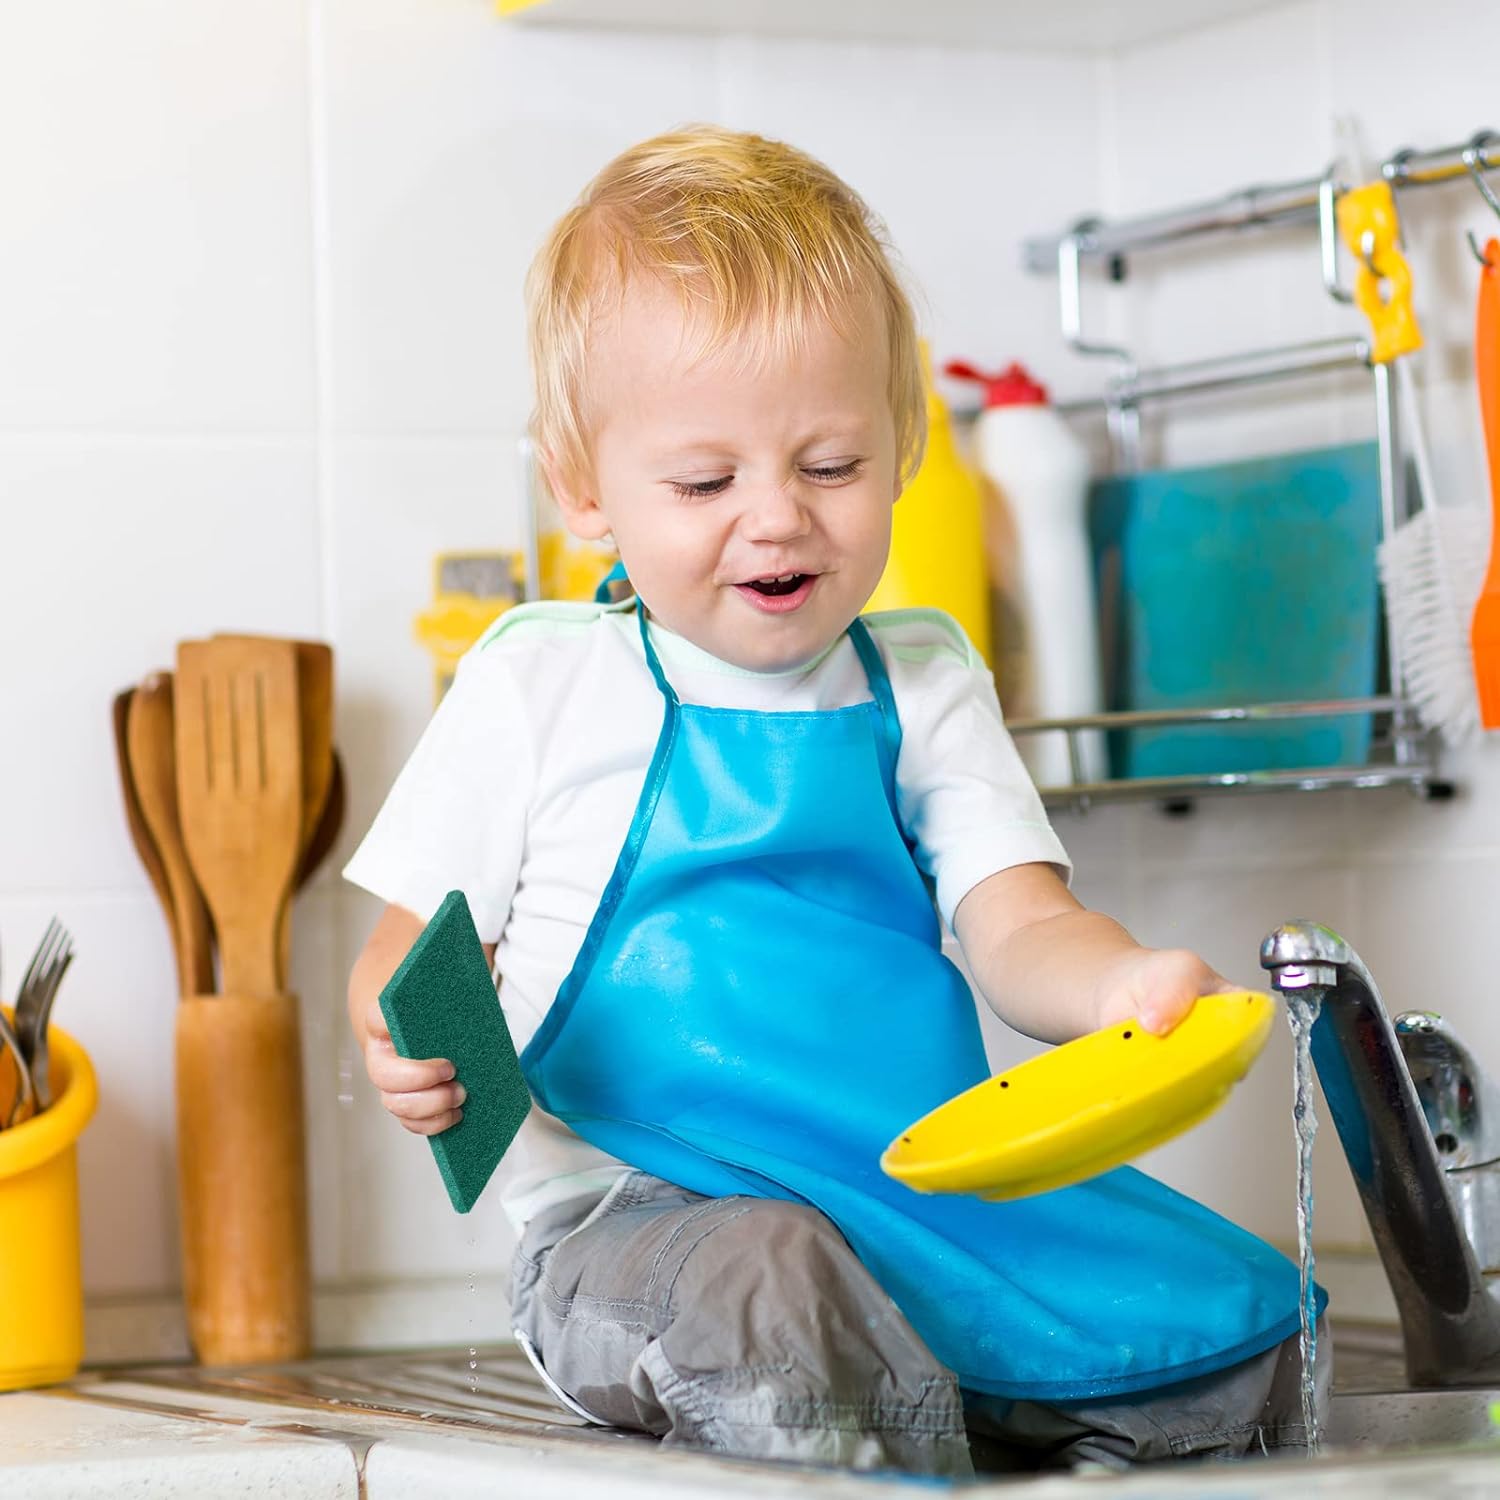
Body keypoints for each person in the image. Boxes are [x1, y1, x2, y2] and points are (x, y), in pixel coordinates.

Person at [344, 124, 1328, 1478]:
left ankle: (948, 1404)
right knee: (776, 1283)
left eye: (830, 466)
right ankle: (922, 1416)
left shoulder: (922, 677)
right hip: (642, 1225)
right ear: (583, 486)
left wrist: (1118, 991)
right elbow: (406, 955)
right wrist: (405, 1046)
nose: (777, 518)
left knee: (1237, 1333)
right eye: (706, 481)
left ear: (903, 445)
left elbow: (1019, 928)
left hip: (903, 1193)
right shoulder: (542, 683)